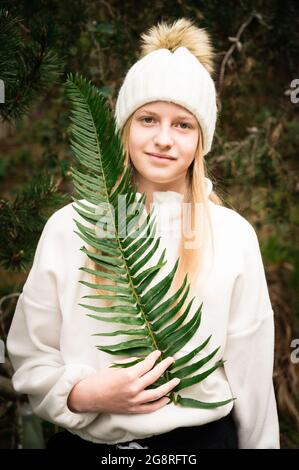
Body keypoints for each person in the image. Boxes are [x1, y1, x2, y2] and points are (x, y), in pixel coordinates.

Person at [7, 17, 280, 449]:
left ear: (201, 140)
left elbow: (252, 377)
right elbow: (32, 349)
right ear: (124, 128)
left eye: (183, 125)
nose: (164, 140)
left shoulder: (231, 236)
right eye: (148, 119)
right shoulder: (70, 228)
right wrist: (84, 393)